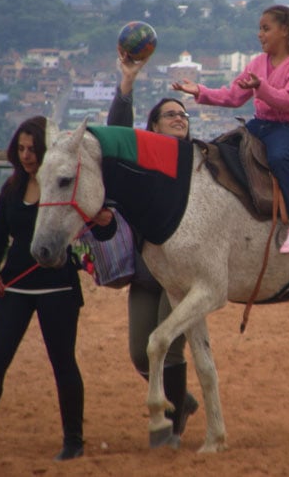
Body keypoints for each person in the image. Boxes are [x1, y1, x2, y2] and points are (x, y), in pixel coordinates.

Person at [0, 116, 87, 462]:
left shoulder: (60, 186)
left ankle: (74, 442)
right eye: (21, 148)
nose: (26, 155)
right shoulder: (11, 189)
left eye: (32, 148)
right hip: (15, 288)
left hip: (57, 289)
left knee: (63, 363)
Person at [105, 50, 198, 447]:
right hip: (146, 272)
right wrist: (127, 83)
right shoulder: (141, 162)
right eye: (170, 115)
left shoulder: (196, 163)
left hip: (180, 273)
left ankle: (172, 429)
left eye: (184, 114)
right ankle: (183, 400)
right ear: (153, 126)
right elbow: (117, 136)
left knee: (168, 347)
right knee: (141, 355)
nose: (180, 117)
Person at [173, 4, 289, 254]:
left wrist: (261, 88)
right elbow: (233, 97)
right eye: (260, 29)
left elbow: (288, 100)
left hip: (287, 128)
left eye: (266, 29)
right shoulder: (258, 63)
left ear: (284, 30)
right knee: (220, 150)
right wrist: (201, 91)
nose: (260, 34)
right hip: (259, 124)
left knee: (279, 158)